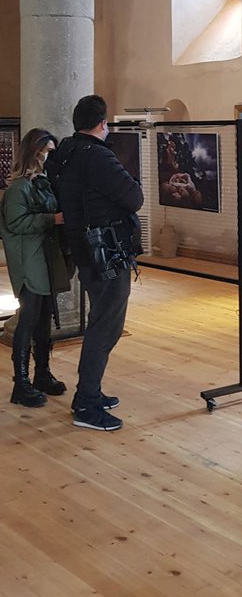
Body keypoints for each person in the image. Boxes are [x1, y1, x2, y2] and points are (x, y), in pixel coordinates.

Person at [47, 94, 144, 431]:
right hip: (107, 253)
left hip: (83, 249)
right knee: (106, 327)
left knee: (100, 322)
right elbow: (134, 198)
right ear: (103, 123)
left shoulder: (65, 153)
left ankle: (90, 393)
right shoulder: (98, 157)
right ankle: (86, 404)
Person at [0, 128, 69, 407]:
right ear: (34, 152)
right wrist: (52, 219)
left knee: (43, 320)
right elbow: (15, 224)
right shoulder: (19, 188)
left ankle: (42, 374)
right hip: (29, 260)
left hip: (44, 258)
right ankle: (22, 383)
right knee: (28, 320)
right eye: (47, 151)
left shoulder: (42, 183)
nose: (49, 156)